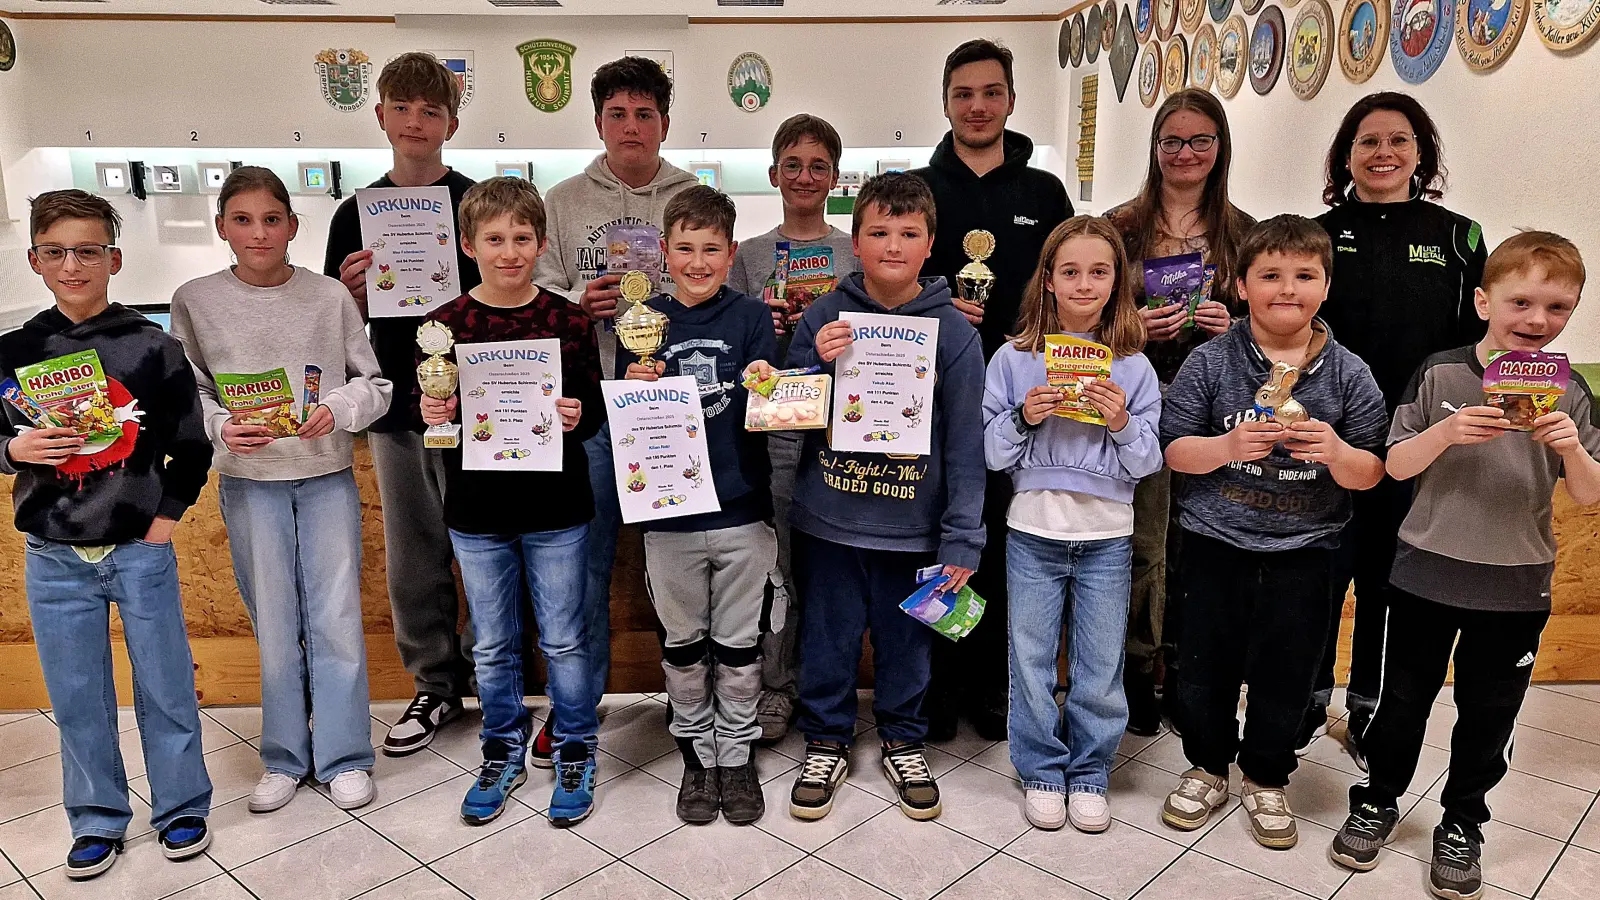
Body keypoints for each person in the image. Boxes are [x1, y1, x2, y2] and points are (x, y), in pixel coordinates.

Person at [1330, 232, 1598, 900]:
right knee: (1402, 702)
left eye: (1558, 307)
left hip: (1516, 586)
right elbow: (1395, 465)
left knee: (1490, 714)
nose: (1537, 319)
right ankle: (1378, 799)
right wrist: (1446, 432)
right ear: (1484, 302)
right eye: (1521, 302)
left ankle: (1462, 821)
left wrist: (1572, 450)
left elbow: (1589, 494)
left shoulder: (1570, 390)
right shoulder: (1440, 373)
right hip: (1425, 574)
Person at [0, 190, 214, 879]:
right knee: (76, 695)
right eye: (56, 252)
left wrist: (164, 520)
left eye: (88, 251)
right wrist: (14, 451)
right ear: (35, 259)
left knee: (166, 684)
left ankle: (181, 806)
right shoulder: (13, 351)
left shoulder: (154, 347)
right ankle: (96, 818)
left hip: (137, 549)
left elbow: (193, 447)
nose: (73, 265)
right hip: (53, 553)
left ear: (113, 259)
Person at [1157, 215, 1387, 850]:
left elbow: (1372, 471)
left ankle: (1266, 775)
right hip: (1214, 543)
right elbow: (1174, 451)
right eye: (1270, 276)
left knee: (1288, 673)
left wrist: (1336, 451)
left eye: (1305, 276)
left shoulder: (1349, 374)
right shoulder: (1210, 361)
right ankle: (1208, 767)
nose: (1287, 289)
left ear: (1327, 286)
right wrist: (1227, 446)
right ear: (1241, 285)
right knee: (1203, 667)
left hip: (1306, 551)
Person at [170, 167, 391, 815]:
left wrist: (338, 408)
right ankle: (285, 757)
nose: (259, 233)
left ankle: (346, 755)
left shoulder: (328, 297)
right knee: (274, 620)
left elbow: (373, 383)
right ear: (222, 228)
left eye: (272, 219)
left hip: (324, 476)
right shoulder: (195, 300)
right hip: (251, 484)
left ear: (293, 226)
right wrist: (219, 425)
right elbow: (190, 390)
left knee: (335, 618)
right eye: (243, 220)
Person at [778, 173, 986, 822]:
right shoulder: (822, 316)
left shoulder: (955, 333)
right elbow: (788, 415)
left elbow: (967, 444)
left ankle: (903, 738)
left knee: (908, 645)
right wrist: (814, 363)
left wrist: (963, 536)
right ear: (856, 243)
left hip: (914, 528)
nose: (893, 246)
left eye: (908, 233)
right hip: (829, 520)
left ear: (931, 245)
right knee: (827, 640)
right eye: (878, 232)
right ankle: (826, 739)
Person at [419, 177, 605, 827]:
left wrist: (577, 413)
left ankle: (576, 748)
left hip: (557, 510)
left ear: (542, 243)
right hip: (478, 513)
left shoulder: (569, 321)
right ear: (468, 245)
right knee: (494, 645)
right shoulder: (443, 328)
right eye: (494, 239)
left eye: (522, 238)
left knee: (565, 640)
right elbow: (427, 417)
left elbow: (593, 411)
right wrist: (432, 413)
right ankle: (501, 749)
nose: (509, 252)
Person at [1310, 92, 1488, 766]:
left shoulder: (1459, 237)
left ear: (1421, 154)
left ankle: (1367, 706)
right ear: (1346, 155)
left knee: (1387, 582)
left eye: (1399, 140)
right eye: (1368, 141)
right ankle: (1308, 697)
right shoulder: (1316, 234)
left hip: (1417, 444)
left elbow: (1477, 343)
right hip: (1327, 440)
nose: (1383, 153)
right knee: (1322, 571)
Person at [532, 57, 699, 757]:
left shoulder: (693, 195)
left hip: (673, 407)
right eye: (618, 114)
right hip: (594, 410)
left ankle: (692, 705)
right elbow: (536, 293)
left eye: (645, 114)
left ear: (665, 121)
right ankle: (577, 706)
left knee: (681, 567)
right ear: (598, 121)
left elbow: (714, 283)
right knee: (586, 568)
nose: (632, 127)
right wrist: (579, 303)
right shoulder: (563, 200)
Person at [913, 38, 1072, 742]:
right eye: (963, 94)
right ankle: (937, 684)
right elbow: (891, 278)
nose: (976, 106)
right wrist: (935, 303)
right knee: (940, 535)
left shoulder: (1045, 193)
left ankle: (993, 684)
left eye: (990, 93)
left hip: (1024, 398)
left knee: (1009, 542)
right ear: (945, 103)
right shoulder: (919, 189)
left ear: (1011, 100)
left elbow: (1071, 283)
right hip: (933, 396)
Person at [982, 216, 1161, 833]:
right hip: (1033, 530)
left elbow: (1147, 462)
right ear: (1049, 280)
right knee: (1030, 658)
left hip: (1107, 535)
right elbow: (993, 453)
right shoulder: (1014, 358)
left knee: (1100, 663)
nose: (1084, 284)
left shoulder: (1134, 368)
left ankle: (1089, 771)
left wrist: (1120, 423)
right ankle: (1039, 769)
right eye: (1071, 271)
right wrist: (1024, 417)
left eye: (1099, 272)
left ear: (1117, 282)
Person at [323, 51, 478, 756]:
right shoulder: (353, 215)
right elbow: (332, 325)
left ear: (451, 122)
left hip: (479, 405)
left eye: (431, 110)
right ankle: (434, 683)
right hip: (395, 405)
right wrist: (351, 298)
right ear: (381, 115)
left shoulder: (477, 202)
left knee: (491, 545)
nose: (417, 122)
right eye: (404, 109)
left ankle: (495, 672)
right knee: (415, 552)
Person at [618, 186, 781, 825]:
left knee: (739, 645)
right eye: (684, 248)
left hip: (743, 509)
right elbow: (624, 420)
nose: (697, 261)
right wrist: (629, 386)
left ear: (731, 252)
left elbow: (771, 404)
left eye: (711, 249)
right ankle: (695, 754)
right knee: (683, 646)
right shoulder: (641, 323)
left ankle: (735, 755)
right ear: (664, 251)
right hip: (669, 516)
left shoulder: (752, 318)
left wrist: (769, 387)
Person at [1105, 87, 1256, 736]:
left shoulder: (1245, 234)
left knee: (1201, 549)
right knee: (1143, 546)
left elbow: (1274, 329)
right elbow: (1083, 314)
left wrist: (1236, 327)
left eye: (1200, 140)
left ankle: (1188, 673)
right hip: (1136, 411)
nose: (1186, 153)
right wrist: (1132, 326)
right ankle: (1138, 671)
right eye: (1172, 140)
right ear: (1155, 147)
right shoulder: (1121, 227)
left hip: (1216, 416)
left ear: (1220, 147)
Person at [727, 113, 860, 742]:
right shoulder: (750, 256)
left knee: (831, 566)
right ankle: (778, 686)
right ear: (773, 173)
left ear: (835, 176)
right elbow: (731, 343)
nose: (805, 177)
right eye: (793, 165)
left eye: (818, 166)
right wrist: (767, 328)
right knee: (779, 566)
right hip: (778, 429)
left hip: (843, 429)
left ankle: (828, 687)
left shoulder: (854, 252)